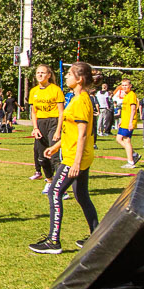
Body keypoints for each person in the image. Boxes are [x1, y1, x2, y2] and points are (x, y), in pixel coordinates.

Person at [28, 61, 100, 254]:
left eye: (69, 74)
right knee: (82, 195)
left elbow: (84, 134)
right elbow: (72, 131)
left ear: (80, 79)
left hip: (74, 157)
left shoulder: (82, 101)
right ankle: (96, 235)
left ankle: (53, 241)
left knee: (54, 193)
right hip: (75, 154)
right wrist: (56, 146)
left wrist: (75, 162)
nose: (66, 76)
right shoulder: (77, 99)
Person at [28, 65, 64, 195]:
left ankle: (60, 188)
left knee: (54, 156)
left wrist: (58, 130)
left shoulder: (56, 90)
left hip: (53, 122)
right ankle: (49, 181)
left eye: (43, 73)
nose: (40, 75)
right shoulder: (34, 91)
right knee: (41, 157)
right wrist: (35, 128)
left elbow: (61, 112)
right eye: (38, 73)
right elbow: (34, 112)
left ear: (49, 75)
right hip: (40, 124)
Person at [115, 79, 141, 169]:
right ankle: (134, 154)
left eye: (126, 85)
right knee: (118, 139)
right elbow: (125, 109)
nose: (124, 87)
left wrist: (130, 122)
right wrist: (122, 120)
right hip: (125, 121)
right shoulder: (125, 96)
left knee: (127, 141)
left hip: (129, 122)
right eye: (123, 85)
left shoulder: (132, 95)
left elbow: (133, 109)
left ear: (130, 86)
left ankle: (130, 162)